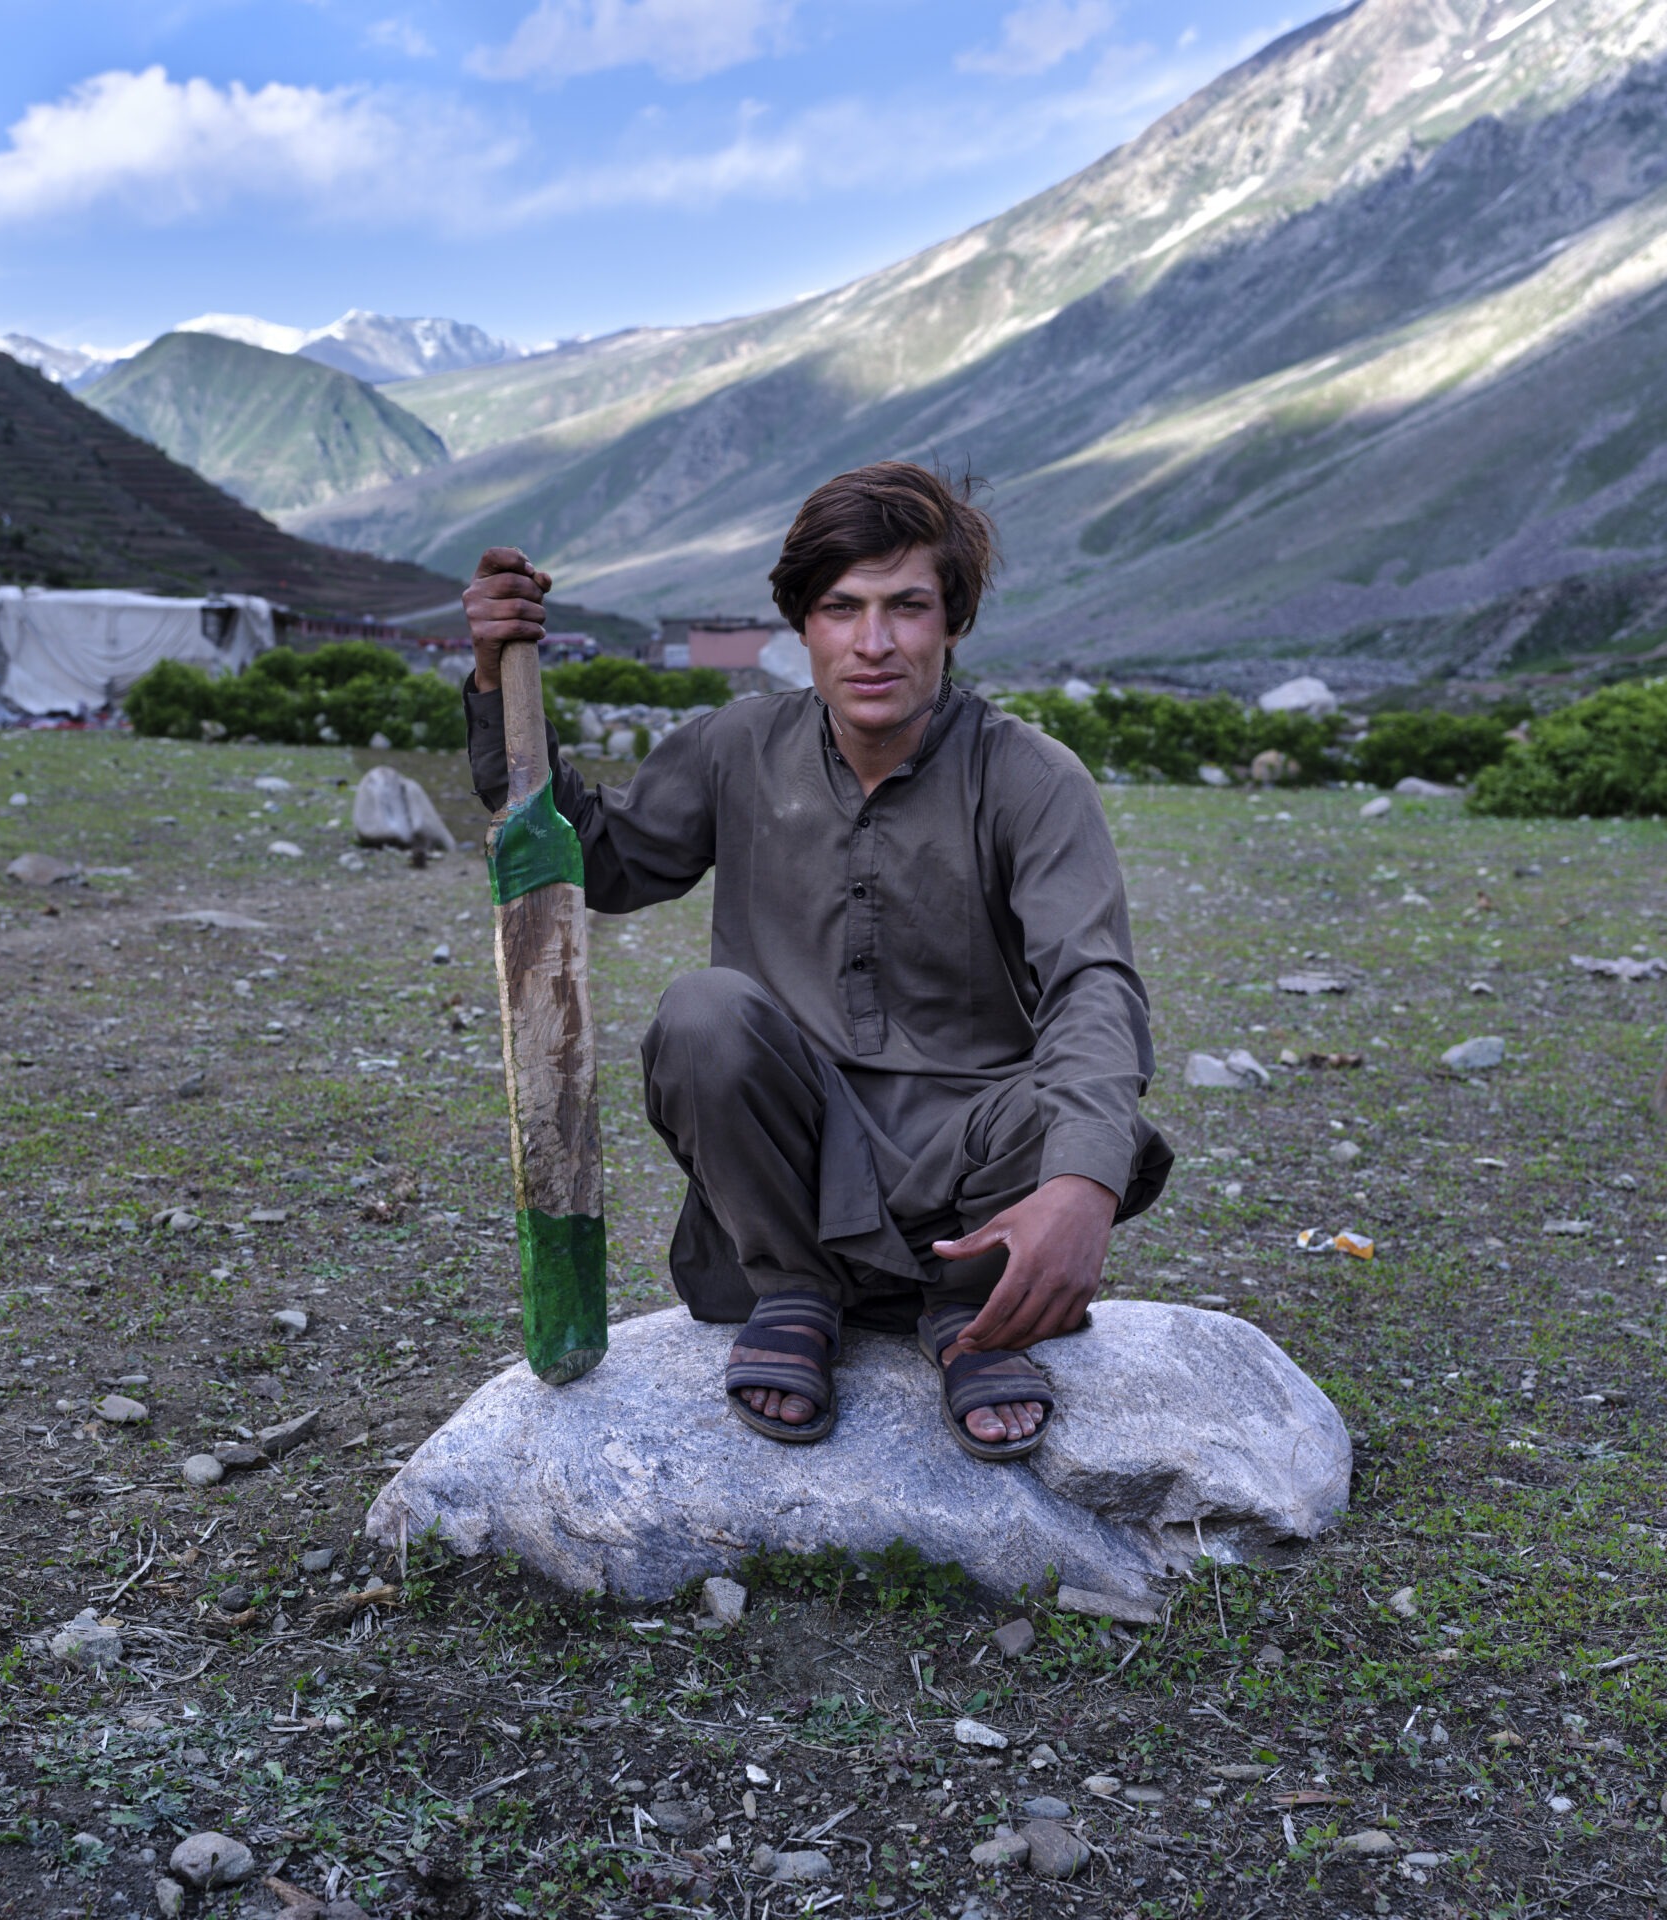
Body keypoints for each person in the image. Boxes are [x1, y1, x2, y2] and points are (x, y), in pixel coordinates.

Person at [461, 462, 1168, 1463]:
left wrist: (1086, 1185)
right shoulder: (733, 747)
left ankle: (966, 1305)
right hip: (789, 1163)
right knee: (704, 1014)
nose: (873, 643)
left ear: (953, 621)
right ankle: (794, 1287)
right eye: (842, 608)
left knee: (1084, 1098)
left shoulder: (1030, 778)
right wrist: (498, 679)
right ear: (802, 623)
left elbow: (1091, 985)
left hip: (968, 1161)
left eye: (906, 607)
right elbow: (602, 862)